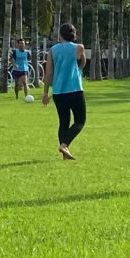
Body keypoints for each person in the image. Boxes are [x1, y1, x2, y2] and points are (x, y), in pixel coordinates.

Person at [42, 23, 86, 161]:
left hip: (59, 91)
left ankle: (65, 154)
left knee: (63, 122)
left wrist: (45, 93)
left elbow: (48, 73)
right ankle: (65, 145)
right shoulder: (79, 48)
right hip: (74, 89)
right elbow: (82, 63)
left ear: (60, 35)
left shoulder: (53, 50)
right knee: (80, 120)